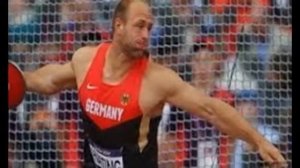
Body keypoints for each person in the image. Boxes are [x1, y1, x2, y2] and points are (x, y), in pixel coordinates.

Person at [21, 0, 287, 167]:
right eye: (139, 26)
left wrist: (258, 142)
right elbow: (46, 80)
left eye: (149, 27)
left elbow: (211, 109)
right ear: (118, 26)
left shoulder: (157, 79)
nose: (146, 34)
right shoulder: (85, 60)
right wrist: (17, 78)